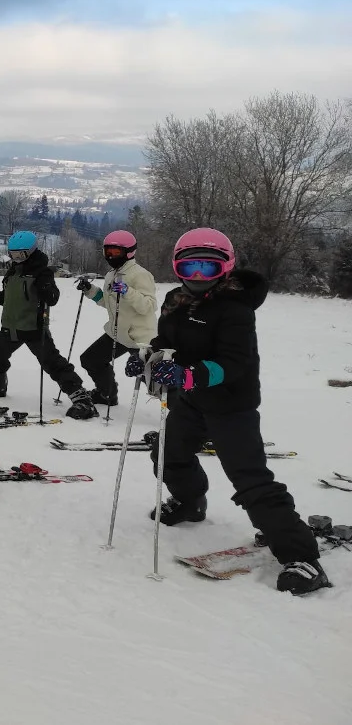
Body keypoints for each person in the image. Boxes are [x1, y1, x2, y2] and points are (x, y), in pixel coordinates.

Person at [126, 227, 326, 595]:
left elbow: (234, 363)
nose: (198, 276)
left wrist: (187, 374)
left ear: (226, 267)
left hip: (231, 404)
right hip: (191, 399)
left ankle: (303, 557)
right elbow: (166, 340)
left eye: (208, 267)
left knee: (250, 478)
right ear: (178, 268)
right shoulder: (174, 300)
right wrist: (147, 355)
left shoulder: (235, 309)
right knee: (167, 452)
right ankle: (190, 502)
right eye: (190, 268)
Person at [0, 231, 97, 420]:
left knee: (52, 363)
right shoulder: (13, 271)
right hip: (10, 327)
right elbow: (7, 298)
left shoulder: (42, 272)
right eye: (12, 254)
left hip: (34, 329)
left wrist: (45, 289)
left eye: (20, 255)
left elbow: (53, 299)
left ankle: (82, 398)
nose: (16, 258)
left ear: (31, 252)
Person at [73, 229, 157, 406]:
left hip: (139, 338)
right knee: (91, 359)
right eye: (107, 251)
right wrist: (90, 290)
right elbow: (108, 302)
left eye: (116, 252)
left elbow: (149, 306)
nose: (110, 255)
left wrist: (128, 291)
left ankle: (185, 412)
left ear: (129, 252)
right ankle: (107, 394)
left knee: (152, 378)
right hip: (117, 333)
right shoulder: (112, 274)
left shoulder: (140, 274)